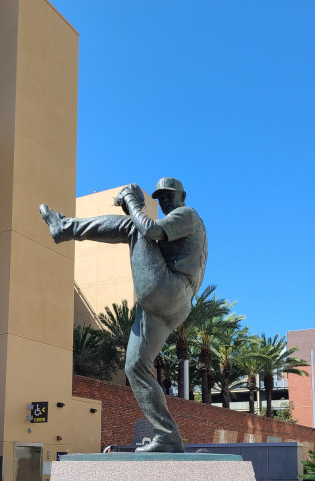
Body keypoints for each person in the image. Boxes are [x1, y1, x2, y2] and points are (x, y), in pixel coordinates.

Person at [40, 178, 207, 453]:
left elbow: (149, 229)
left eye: (169, 195)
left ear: (183, 196)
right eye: (160, 197)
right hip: (171, 306)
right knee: (135, 366)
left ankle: (64, 227)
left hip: (169, 289)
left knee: (134, 226)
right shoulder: (177, 226)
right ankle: (167, 436)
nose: (164, 200)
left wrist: (133, 203)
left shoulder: (187, 215)